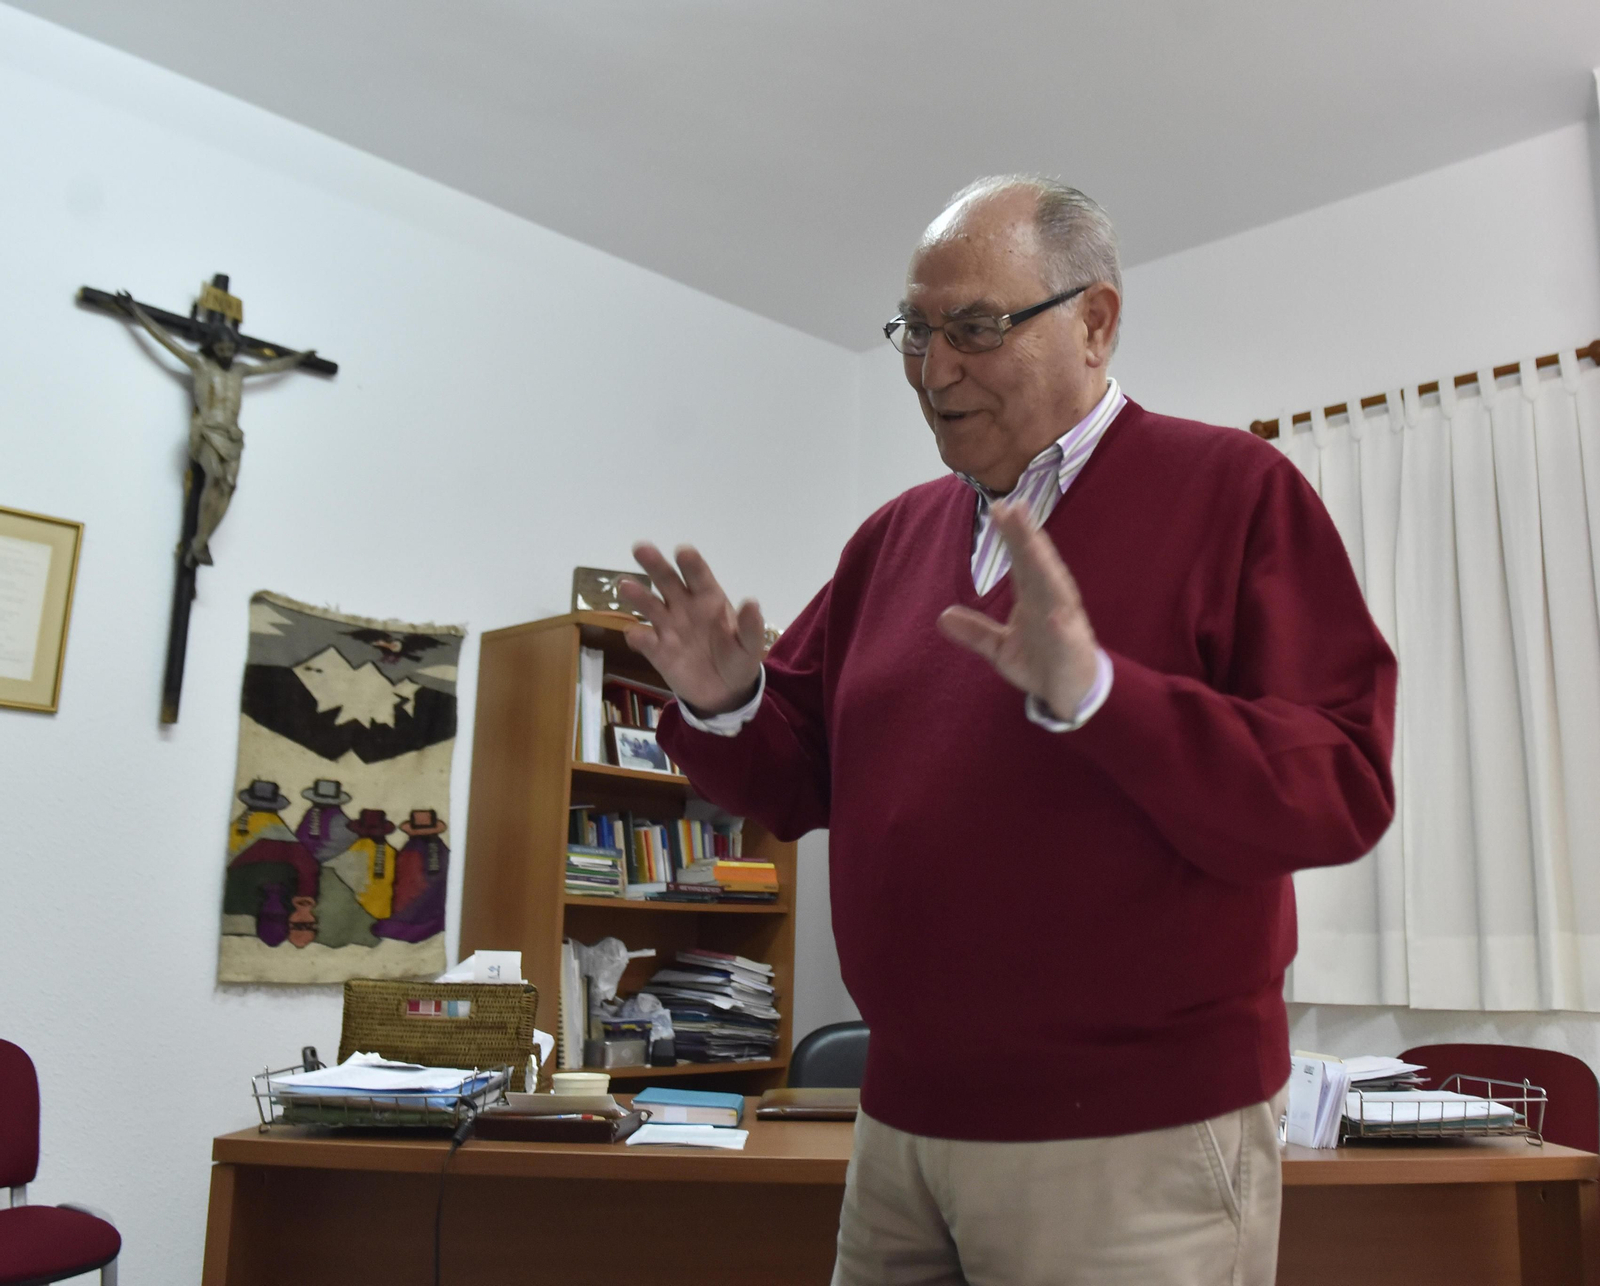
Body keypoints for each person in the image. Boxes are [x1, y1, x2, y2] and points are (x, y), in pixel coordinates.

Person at [622, 176, 1396, 1285]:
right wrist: (721, 700)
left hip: (1134, 1139)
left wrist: (1100, 695)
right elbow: (799, 779)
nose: (934, 372)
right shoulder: (889, 538)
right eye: (915, 332)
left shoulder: (1235, 490)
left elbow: (1341, 781)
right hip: (898, 1123)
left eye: (976, 329)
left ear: (1096, 320)